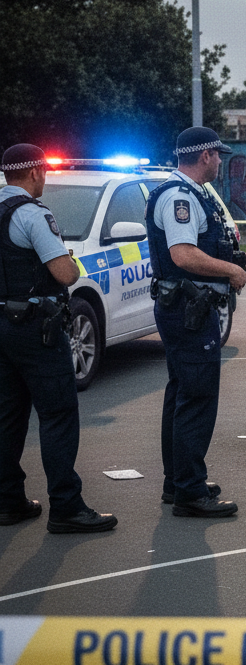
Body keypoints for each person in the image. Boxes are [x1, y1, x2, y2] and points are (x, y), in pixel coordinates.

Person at [0, 144, 116, 533]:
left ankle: (8, 501)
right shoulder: (32, 214)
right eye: (43, 172)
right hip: (35, 328)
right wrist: (71, 260)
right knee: (58, 415)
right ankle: (66, 506)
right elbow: (65, 274)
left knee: (8, 415)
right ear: (33, 173)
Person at [145, 127, 246, 518]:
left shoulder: (190, 192)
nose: (221, 161)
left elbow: (202, 247)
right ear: (205, 155)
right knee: (197, 398)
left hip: (186, 307)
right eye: (218, 154)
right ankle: (190, 492)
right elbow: (184, 256)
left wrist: (233, 260)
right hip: (189, 310)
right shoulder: (180, 197)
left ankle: (179, 482)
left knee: (181, 395)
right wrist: (230, 272)